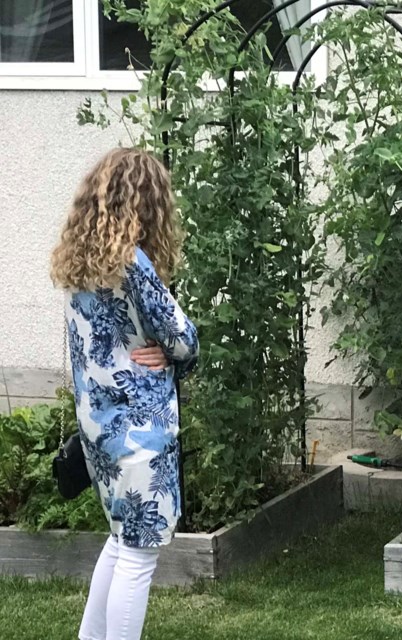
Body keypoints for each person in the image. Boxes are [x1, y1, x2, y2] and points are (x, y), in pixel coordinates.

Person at [50, 147, 199, 640]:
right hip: (139, 432)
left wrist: (151, 344)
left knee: (120, 544)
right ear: (146, 203)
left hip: (98, 430)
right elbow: (183, 338)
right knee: (137, 558)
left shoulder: (78, 266)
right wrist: (168, 349)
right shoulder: (131, 263)